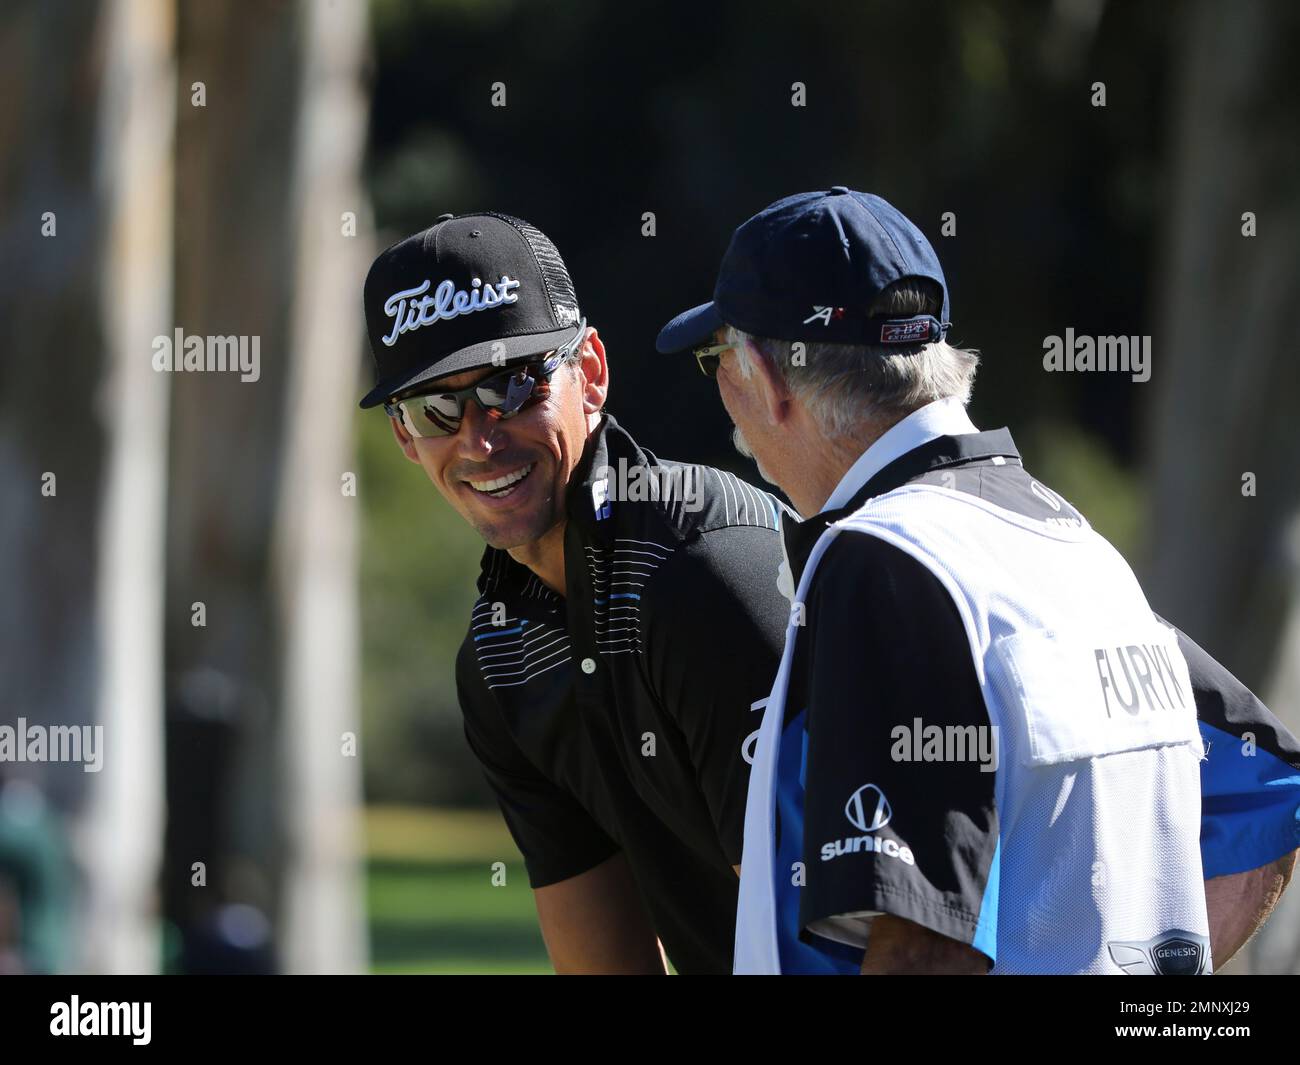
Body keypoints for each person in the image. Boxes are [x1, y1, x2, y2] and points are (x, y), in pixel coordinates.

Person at [655, 187, 1300, 974]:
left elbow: (925, 944)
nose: (722, 389)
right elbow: (1269, 789)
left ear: (764, 375)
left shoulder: (887, 559)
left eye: (716, 356)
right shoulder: (1073, 545)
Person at [359, 212, 793, 973]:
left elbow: (833, 937)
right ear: (404, 436)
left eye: (512, 386)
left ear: (590, 372)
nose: (480, 440)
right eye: (437, 409)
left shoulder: (700, 571)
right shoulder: (499, 658)